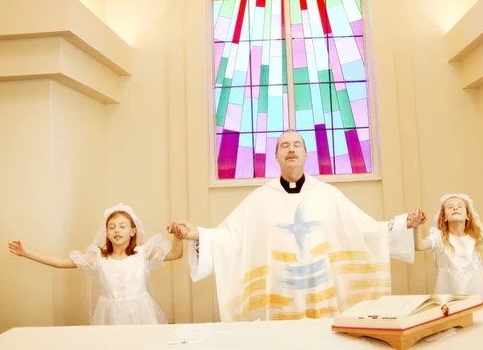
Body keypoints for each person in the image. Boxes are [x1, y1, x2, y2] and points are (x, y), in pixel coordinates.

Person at [171, 130, 423, 322]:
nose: (290, 150)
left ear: (305, 154)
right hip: (279, 291)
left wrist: (401, 225)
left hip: (320, 289)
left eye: (296, 145)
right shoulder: (260, 199)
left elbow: (364, 230)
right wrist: (199, 235)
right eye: (284, 146)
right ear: (276, 155)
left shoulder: (328, 195)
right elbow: (232, 238)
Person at [8, 203, 184, 325]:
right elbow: (62, 263)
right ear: (106, 232)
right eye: (112, 227)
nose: (117, 230)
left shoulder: (143, 253)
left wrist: (178, 235)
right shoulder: (98, 257)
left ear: (132, 231)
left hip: (141, 313)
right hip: (110, 315)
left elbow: (176, 253)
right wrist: (28, 253)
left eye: (122, 226)